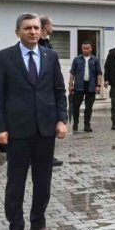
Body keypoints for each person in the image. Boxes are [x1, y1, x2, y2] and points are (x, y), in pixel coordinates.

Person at [0, 13, 68, 230]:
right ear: (18, 32)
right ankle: (16, 229)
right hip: (17, 131)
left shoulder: (50, 56)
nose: (33, 32)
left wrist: (62, 120)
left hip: (45, 129)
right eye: (27, 28)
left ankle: (38, 224)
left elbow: (58, 91)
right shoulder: (4, 57)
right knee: (16, 182)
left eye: (36, 28)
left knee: (43, 181)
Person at [38, 16, 63, 167]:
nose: (53, 27)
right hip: (42, 89)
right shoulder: (39, 44)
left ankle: (48, 155)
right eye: (51, 24)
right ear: (46, 26)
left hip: (50, 88)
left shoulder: (47, 42)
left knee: (49, 125)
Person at [69, 41, 102, 132]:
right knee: (76, 106)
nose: (85, 50)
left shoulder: (95, 60)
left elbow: (99, 73)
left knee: (89, 107)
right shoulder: (76, 59)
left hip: (91, 86)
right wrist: (70, 85)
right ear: (81, 48)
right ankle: (75, 122)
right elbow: (72, 73)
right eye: (84, 48)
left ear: (91, 49)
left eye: (87, 48)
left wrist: (98, 85)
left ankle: (87, 125)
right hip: (79, 85)